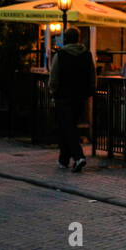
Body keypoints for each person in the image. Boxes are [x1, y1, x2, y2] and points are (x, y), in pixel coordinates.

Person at [49, 26, 96, 171]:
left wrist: (53, 91)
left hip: (63, 96)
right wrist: (90, 91)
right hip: (80, 97)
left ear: (65, 39)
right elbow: (92, 75)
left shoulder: (60, 55)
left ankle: (78, 156)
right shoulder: (86, 55)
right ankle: (63, 159)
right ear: (78, 39)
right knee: (69, 126)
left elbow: (54, 76)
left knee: (68, 127)